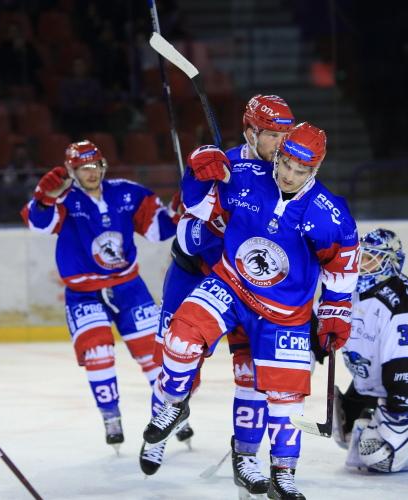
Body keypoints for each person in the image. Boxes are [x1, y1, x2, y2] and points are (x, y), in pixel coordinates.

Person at [143, 122, 359, 499]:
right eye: (286, 164)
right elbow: (197, 207)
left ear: (316, 169)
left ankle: (281, 472)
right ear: (279, 155)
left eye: (301, 170)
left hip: (284, 313)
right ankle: (174, 402)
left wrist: (334, 314)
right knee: (180, 338)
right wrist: (195, 173)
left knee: (285, 399)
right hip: (231, 285)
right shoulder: (244, 175)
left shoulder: (331, 215)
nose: (289, 175)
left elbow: (341, 270)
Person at [140, 94, 297, 479]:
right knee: (175, 359)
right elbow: (187, 234)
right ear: (250, 132)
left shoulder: (291, 176)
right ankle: (165, 420)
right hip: (195, 274)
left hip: (247, 286)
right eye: (273, 134)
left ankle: (247, 454)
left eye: (286, 134)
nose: (282, 143)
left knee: (251, 371)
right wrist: (197, 179)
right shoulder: (221, 167)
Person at [21, 140, 177, 452]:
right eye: (82, 168)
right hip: (84, 293)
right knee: (98, 353)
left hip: (128, 287)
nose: (90, 173)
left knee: (153, 354)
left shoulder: (127, 193)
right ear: (71, 171)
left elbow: (159, 230)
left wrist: (181, 206)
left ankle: (169, 413)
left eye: (94, 165)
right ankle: (110, 415)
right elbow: (39, 224)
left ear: (103, 165)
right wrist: (44, 198)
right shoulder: (64, 198)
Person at [333, 228, 408, 472]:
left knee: (379, 456)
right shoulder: (350, 287)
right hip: (375, 375)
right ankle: (386, 422)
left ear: (391, 262)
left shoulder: (402, 305)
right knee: (345, 432)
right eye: (360, 256)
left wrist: (398, 413)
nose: (360, 264)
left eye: (369, 258)